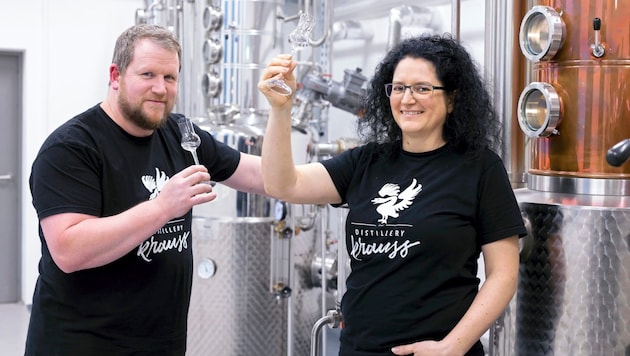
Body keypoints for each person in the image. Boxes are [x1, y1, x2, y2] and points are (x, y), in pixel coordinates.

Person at [258, 33, 527, 356]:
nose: (407, 99)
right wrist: (280, 110)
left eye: (422, 88)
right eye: (398, 88)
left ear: (452, 98)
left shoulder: (479, 168)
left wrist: (451, 348)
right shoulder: (366, 161)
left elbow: (504, 275)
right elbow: (282, 185)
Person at [25, 24, 264, 355]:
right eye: (148, 74)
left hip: (160, 343)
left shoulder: (183, 135)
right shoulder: (71, 147)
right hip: (82, 344)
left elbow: (260, 175)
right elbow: (69, 250)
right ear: (115, 75)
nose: (161, 88)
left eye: (170, 77)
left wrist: (346, 174)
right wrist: (163, 208)